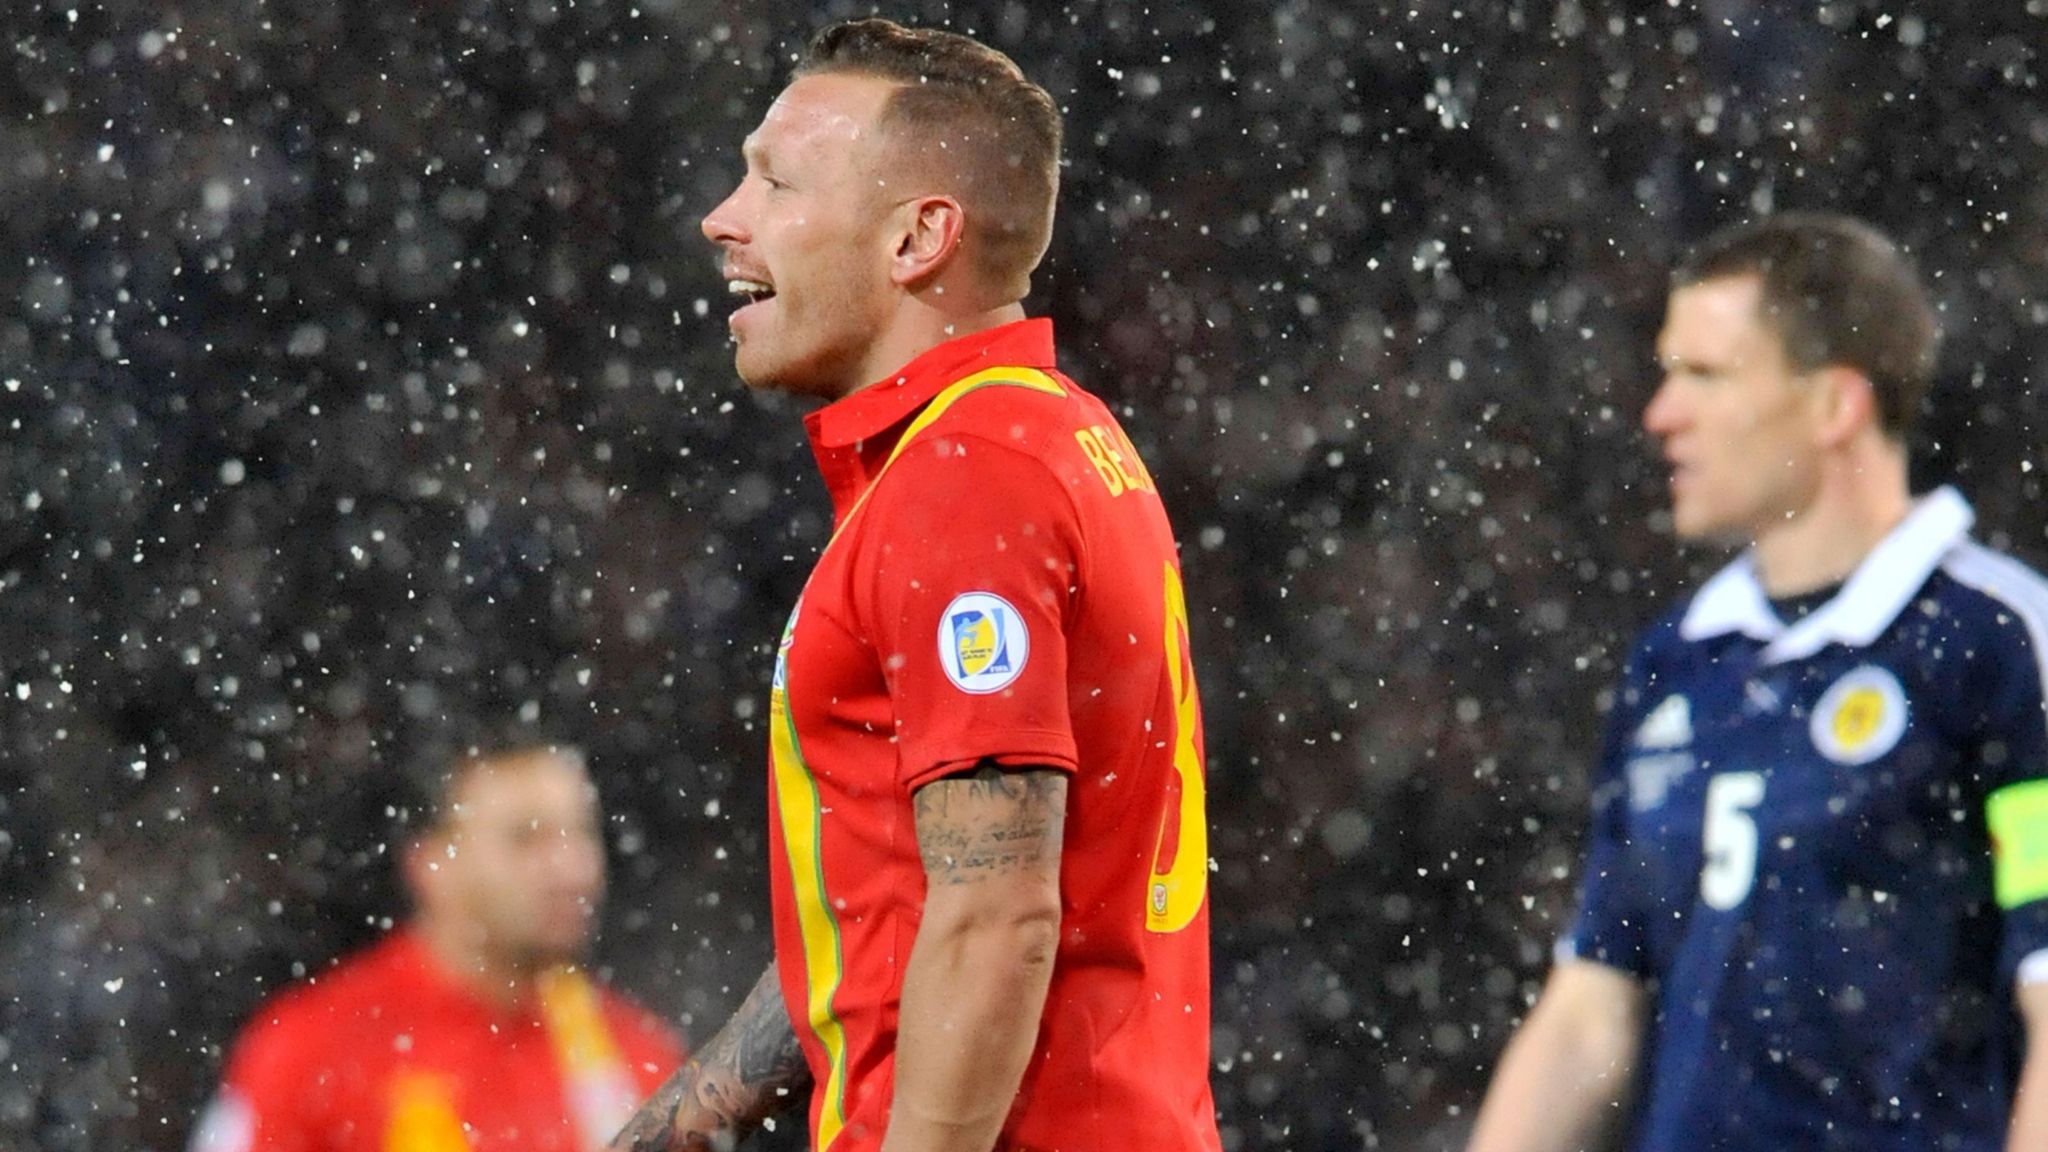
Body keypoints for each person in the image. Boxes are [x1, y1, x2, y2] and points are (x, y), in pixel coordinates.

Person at [607, 19, 1220, 1152]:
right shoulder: (1048, 435)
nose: (722, 217)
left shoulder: (964, 481)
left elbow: (994, 913)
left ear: (916, 239)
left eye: (776, 182)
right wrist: (684, 1122)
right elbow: (901, 902)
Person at [1466, 211, 2048, 1151]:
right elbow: (1591, 1006)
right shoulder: (1679, 664)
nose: (1661, 412)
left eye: (1705, 374)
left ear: (1835, 405)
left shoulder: (1998, 647)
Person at [190, 745, 685, 1152]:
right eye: (525, 839)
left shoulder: (639, 1056)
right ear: (431, 863)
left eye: (579, 833)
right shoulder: (313, 1048)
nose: (571, 869)